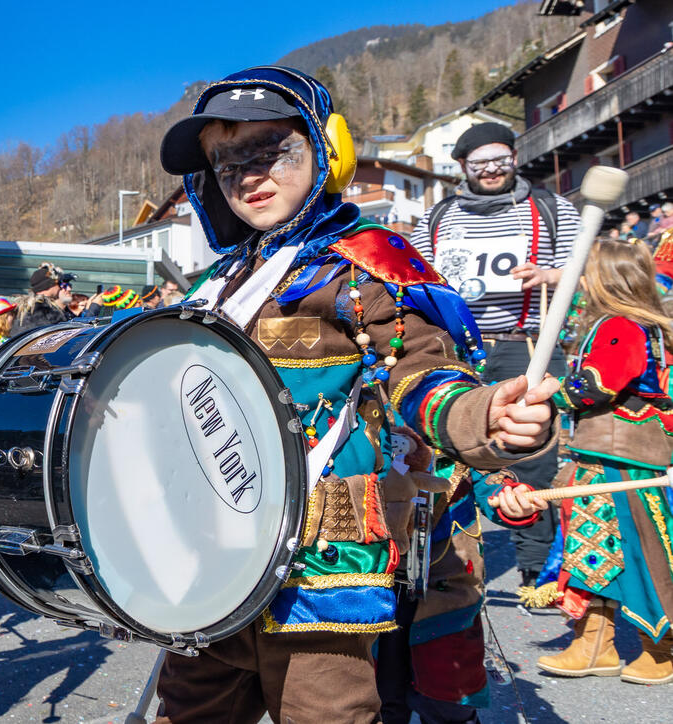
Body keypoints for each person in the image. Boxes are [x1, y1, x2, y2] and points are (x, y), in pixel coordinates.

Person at [155, 66, 560, 723]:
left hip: (322, 557)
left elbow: (419, 374)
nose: (249, 174)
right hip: (214, 554)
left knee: (326, 713)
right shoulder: (215, 287)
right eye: (227, 162)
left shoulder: (370, 266)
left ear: (326, 148)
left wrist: (484, 416)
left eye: (271, 150)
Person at [410, 121, 581, 601]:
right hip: (458, 343)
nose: (490, 171)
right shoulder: (439, 216)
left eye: (500, 161)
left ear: (514, 158)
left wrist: (549, 273)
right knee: (447, 444)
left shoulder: (549, 209)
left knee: (527, 449)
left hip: (522, 342)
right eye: (479, 164)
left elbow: (588, 265)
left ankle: (535, 567)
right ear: (462, 167)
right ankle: (448, 559)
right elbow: (414, 272)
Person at [505, 239, 673, 685]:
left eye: (584, 273)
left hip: (624, 460)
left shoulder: (624, 324)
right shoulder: (621, 322)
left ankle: (662, 645)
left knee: (642, 553)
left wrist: (547, 394)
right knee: (593, 554)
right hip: (600, 456)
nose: (579, 282)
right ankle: (594, 642)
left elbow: (599, 382)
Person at [377, 424, 541, 723]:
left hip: (448, 582)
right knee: (379, 694)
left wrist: (511, 498)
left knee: (446, 695)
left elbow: (489, 475)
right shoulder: (366, 401)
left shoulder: (455, 411)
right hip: (377, 577)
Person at [11, 263, 73, 334]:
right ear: (49, 286)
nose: (60, 287)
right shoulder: (41, 310)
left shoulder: (31, 308)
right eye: (57, 284)